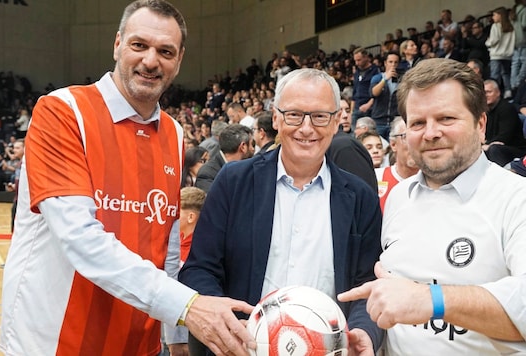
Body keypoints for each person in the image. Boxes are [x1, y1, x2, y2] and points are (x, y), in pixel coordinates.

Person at [0, 2, 256, 355]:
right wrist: (186, 307)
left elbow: (165, 243)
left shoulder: (174, 133)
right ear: (117, 44)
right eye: (139, 45)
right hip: (54, 343)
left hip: (139, 346)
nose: (151, 61)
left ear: (179, 60)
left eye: (165, 51)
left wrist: (175, 335)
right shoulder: (62, 111)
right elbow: (80, 238)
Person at [338, 58, 526, 355]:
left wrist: (433, 300)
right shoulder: (398, 199)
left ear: (480, 125)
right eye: (418, 123)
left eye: (446, 119)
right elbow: (396, 301)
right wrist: (371, 338)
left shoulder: (524, 200)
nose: (430, 133)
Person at [179, 68, 383, 356]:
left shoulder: (360, 197)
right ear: (276, 117)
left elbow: (368, 284)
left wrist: (364, 330)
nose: (306, 128)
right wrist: (224, 324)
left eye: (320, 116)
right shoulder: (233, 182)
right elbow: (200, 268)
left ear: (337, 121)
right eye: (294, 114)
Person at [164, 186, 208, 356]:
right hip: (173, 324)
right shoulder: (176, 243)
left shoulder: (200, 250)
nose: (172, 217)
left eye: (177, 212)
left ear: (191, 217)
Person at [195, 123, 254, 192]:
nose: (253, 149)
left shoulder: (250, 168)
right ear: (243, 147)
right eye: (252, 144)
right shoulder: (208, 173)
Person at [482, 79, 526, 166]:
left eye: (489, 92)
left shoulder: (507, 108)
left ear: (498, 93)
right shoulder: (485, 112)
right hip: (493, 146)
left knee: (494, 149)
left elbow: (504, 137)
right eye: (483, 93)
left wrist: (487, 145)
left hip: (515, 149)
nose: (485, 95)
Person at [486, 6, 515, 98]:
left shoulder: (495, 26)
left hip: (496, 55)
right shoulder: (511, 27)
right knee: (506, 73)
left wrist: (487, 42)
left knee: (495, 75)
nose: (493, 17)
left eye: (494, 15)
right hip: (507, 55)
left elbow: (494, 40)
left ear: (500, 15)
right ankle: (508, 91)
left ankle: (495, 93)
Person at [370, 51, 400, 139]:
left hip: (394, 121)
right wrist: (385, 79)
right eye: (390, 62)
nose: (393, 65)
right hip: (379, 121)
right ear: (385, 63)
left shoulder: (401, 79)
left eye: (396, 62)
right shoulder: (377, 78)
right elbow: (374, 93)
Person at [351, 47, 380, 125]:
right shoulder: (357, 72)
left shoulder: (375, 71)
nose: (357, 63)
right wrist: (351, 110)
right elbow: (354, 91)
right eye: (355, 60)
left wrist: (368, 105)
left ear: (366, 57)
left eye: (359, 60)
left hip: (369, 108)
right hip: (357, 107)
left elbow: (377, 91)